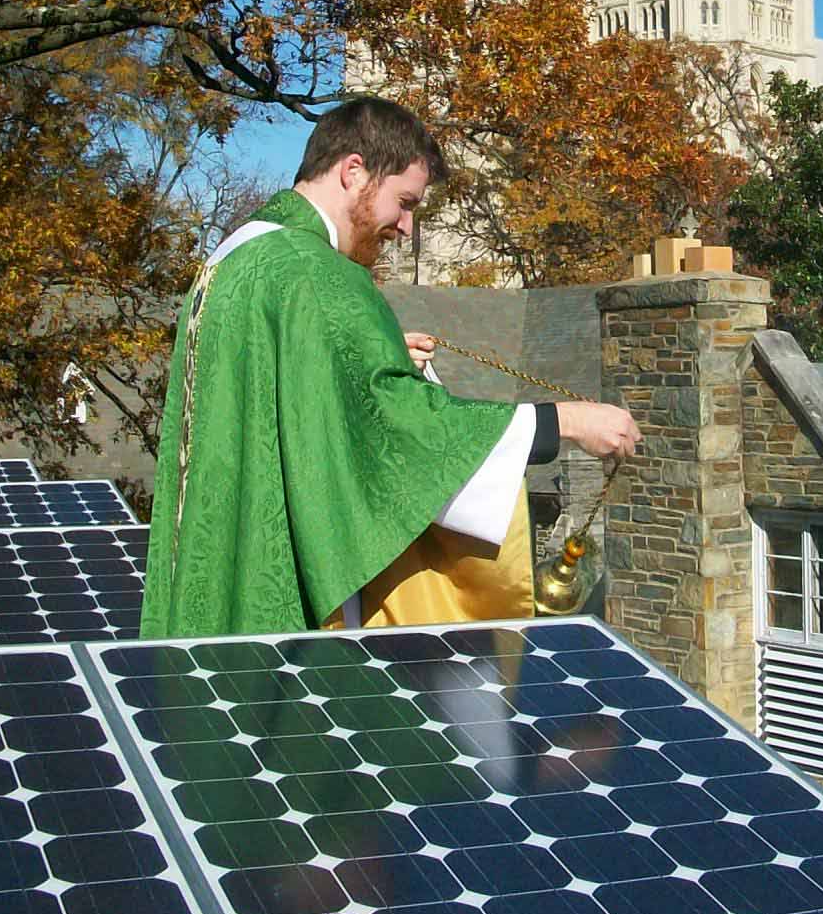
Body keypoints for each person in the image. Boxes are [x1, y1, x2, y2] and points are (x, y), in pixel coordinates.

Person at [139, 96, 640, 638]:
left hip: (219, 560)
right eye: (403, 202)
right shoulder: (317, 273)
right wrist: (563, 420)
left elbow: (283, 390)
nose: (405, 226)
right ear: (353, 171)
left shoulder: (241, 256)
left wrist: (366, 354)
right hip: (274, 592)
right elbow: (398, 427)